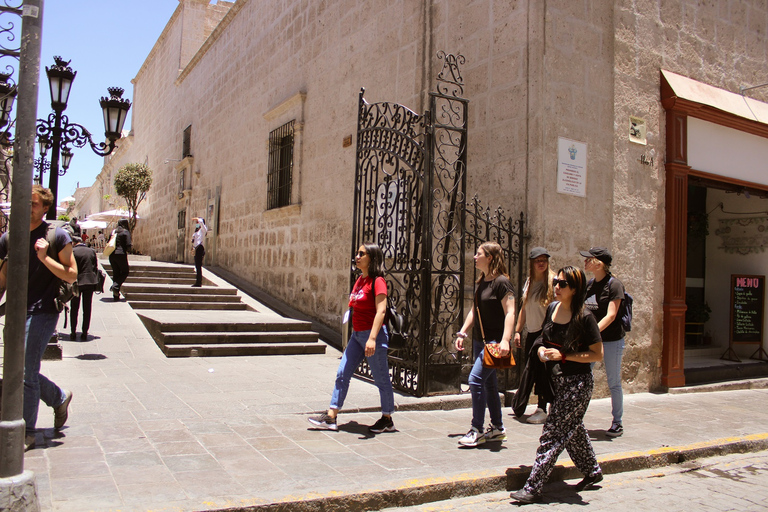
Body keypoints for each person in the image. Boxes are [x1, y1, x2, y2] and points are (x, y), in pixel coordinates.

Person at [510, 266, 604, 504]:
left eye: (562, 284)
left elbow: (596, 354)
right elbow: (543, 336)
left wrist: (562, 356)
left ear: (575, 289)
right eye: (556, 282)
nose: (557, 287)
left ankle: (532, 487)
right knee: (572, 429)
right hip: (556, 382)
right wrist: (541, 348)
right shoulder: (552, 308)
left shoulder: (585, 317)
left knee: (552, 433)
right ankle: (592, 472)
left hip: (577, 384)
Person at [0, 185, 76, 449]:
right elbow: (3, 275)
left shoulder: (56, 236)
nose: (28, 207)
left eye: (33, 204)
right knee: (18, 370)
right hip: (15, 311)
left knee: (25, 372)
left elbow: (71, 274)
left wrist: (44, 257)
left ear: (45, 208)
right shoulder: (10, 237)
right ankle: (58, 397)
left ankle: (27, 432)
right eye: (24, 202)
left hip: (43, 310)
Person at [308, 243, 396, 434]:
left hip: (373, 336)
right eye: (357, 253)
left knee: (381, 379)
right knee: (342, 373)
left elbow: (381, 311)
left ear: (371, 258)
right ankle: (331, 416)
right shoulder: (359, 281)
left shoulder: (377, 281)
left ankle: (387, 418)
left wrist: (372, 339)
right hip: (357, 336)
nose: (357, 256)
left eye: (361, 254)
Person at [454, 242, 515, 448]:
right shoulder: (482, 281)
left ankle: (477, 429)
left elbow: (510, 312)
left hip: (496, 341)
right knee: (489, 384)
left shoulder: (502, 283)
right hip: (481, 341)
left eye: (478, 254)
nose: (474, 257)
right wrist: (463, 332)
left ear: (489, 257)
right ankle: (497, 428)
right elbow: (474, 310)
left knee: (475, 379)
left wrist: (506, 340)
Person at [581, 246, 626, 438]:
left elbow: (611, 315)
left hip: (611, 340)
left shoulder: (614, 285)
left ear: (599, 262)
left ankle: (617, 422)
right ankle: (577, 418)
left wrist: (592, 333)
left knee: (613, 381)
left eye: (589, 259)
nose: (585, 262)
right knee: (584, 379)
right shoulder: (590, 284)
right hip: (593, 340)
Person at [512, 247, 556, 424]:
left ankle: (542, 408)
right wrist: (517, 330)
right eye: (538, 260)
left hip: (545, 333)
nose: (541, 263)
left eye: (544, 259)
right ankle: (541, 406)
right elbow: (524, 307)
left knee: (543, 371)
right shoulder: (530, 281)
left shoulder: (553, 281)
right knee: (534, 370)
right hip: (531, 331)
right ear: (531, 262)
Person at [70, 235, 99, 340]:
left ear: (74, 243)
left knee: (74, 308)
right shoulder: (91, 251)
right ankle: (85, 332)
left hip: (77, 283)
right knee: (87, 308)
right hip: (89, 282)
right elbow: (95, 267)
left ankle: (73, 332)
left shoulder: (73, 252)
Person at [108, 219, 132, 301]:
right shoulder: (125, 232)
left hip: (112, 255)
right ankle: (115, 286)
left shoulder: (113, 232)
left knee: (116, 273)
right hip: (121, 254)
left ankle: (116, 295)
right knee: (125, 272)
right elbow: (128, 245)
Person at [190, 216, 208, 287]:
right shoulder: (197, 231)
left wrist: (199, 220)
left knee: (199, 265)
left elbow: (203, 226)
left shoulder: (203, 230)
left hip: (200, 248)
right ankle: (197, 281)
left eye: (197, 222)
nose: (197, 223)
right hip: (196, 248)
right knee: (197, 266)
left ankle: (199, 281)